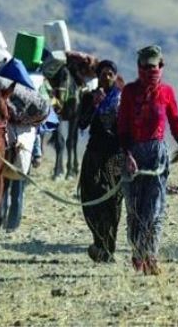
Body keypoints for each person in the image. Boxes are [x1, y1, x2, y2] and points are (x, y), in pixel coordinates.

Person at [117, 45, 178, 275]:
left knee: (155, 210)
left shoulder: (167, 93)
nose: (150, 71)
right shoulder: (130, 92)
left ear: (161, 67)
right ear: (139, 67)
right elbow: (122, 126)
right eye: (145, 67)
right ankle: (137, 253)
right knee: (134, 210)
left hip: (157, 156)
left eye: (154, 66)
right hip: (132, 154)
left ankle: (150, 256)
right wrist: (127, 155)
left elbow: (176, 125)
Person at [78, 60, 124, 263]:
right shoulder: (89, 97)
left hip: (115, 155)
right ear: (98, 76)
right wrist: (94, 105)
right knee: (89, 199)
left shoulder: (123, 99)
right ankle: (98, 240)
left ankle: (109, 248)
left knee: (113, 201)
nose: (106, 77)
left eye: (110, 74)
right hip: (94, 154)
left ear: (115, 76)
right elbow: (81, 123)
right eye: (103, 73)